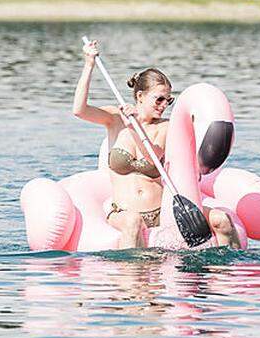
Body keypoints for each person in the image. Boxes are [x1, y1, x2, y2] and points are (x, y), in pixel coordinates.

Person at [73, 40, 239, 249]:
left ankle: (231, 272)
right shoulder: (114, 118)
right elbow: (79, 110)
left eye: (168, 101)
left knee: (222, 220)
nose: (163, 106)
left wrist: (134, 128)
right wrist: (89, 65)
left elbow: (153, 156)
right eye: (159, 99)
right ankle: (132, 278)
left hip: (162, 212)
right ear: (140, 96)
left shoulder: (167, 127)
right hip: (124, 212)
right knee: (133, 222)